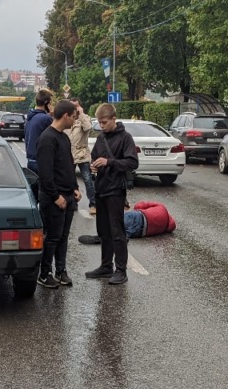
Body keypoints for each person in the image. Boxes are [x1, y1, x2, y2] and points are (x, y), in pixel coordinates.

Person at [85, 103, 138, 285]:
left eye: (104, 122)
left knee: (117, 232)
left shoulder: (125, 138)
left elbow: (132, 162)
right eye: (99, 123)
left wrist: (109, 162)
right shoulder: (101, 138)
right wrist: (94, 165)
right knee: (104, 231)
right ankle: (105, 266)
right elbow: (94, 156)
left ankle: (121, 270)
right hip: (101, 188)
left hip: (116, 190)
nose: (102, 126)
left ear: (114, 119)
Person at [34, 99, 82, 289]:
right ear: (65, 116)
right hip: (54, 199)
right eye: (74, 117)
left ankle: (60, 271)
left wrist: (74, 188)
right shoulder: (48, 138)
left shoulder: (63, 137)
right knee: (52, 237)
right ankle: (44, 274)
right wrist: (55, 197)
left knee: (62, 237)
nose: (74, 121)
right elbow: (45, 173)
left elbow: (68, 166)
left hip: (67, 196)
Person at [79, 200, 176, 244]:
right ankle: (116, 238)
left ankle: (103, 235)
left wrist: (135, 208)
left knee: (114, 221)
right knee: (119, 232)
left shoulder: (162, 208)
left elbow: (141, 205)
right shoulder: (165, 228)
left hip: (138, 217)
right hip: (140, 232)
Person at [67, 97, 97, 215]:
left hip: (82, 154)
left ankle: (93, 203)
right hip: (69, 154)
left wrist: (81, 113)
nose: (74, 109)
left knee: (88, 179)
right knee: (70, 180)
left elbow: (88, 128)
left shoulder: (84, 118)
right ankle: (72, 203)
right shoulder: (67, 119)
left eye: (76, 106)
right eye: (72, 106)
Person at [24, 88, 55, 173]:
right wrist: (53, 115)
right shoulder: (46, 119)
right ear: (46, 103)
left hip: (30, 160)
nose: (51, 104)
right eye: (51, 102)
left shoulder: (30, 117)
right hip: (41, 161)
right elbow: (56, 134)